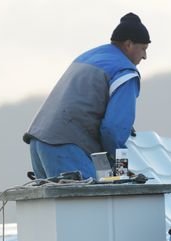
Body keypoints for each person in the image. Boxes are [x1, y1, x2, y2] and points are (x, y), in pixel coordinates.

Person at [23, 13, 150, 179]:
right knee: (91, 204)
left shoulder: (89, 57)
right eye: (143, 49)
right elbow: (114, 129)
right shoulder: (125, 72)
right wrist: (121, 171)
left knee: (58, 204)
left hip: (38, 141)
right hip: (67, 146)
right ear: (128, 44)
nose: (145, 56)